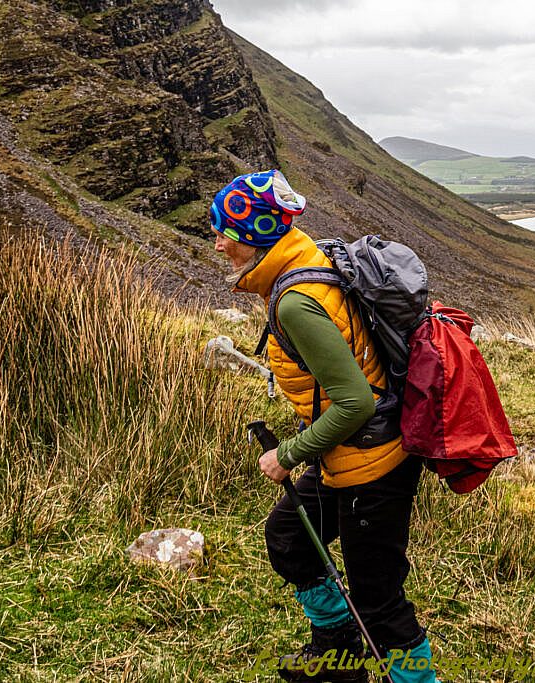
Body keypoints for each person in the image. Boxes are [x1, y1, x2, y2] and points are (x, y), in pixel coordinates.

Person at [211, 169, 437, 683]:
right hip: (349, 454)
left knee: (378, 600)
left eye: (225, 231)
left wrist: (286, 454)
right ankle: (339, 656)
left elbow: (353, 403)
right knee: (290, 536)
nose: (219, 244)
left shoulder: (295, 301)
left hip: (372, 465)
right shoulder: (309, 261)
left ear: (254, 234)